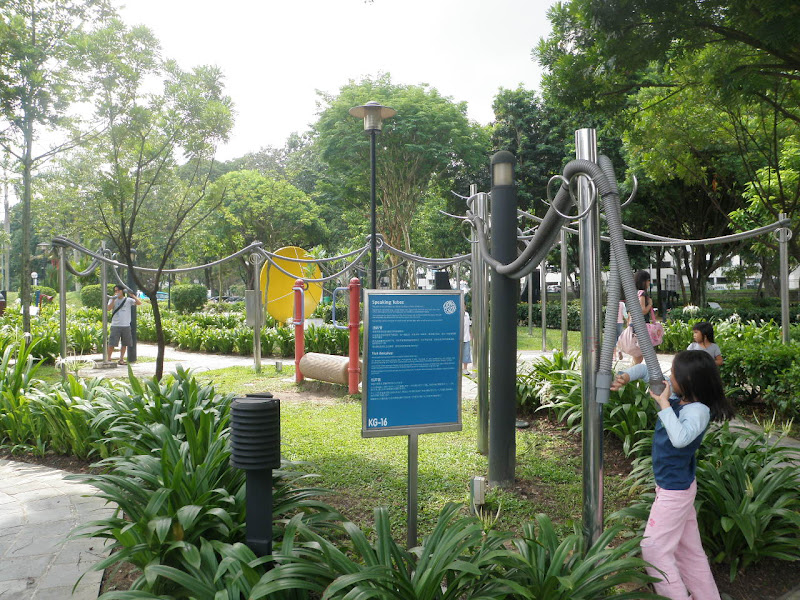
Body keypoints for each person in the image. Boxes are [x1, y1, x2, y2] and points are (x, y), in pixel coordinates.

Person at [611, 350, 734, 600]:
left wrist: (664, 403)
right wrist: (626, 375)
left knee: (653, 549)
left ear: (688, 380)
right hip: (677, 488)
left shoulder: (697, 411)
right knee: (689, 552)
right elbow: (648, 371)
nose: (669, 377)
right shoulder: (681, 397)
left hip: (674, 492)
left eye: (674, 374)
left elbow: (679, 440)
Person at [107, 285, 142, 365]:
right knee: (112, 343)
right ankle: (109, 359)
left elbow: (139, 303)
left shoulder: (128, 300)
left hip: (126, 325)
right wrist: (113, 299)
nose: (117, 292)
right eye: (115, 291)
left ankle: (121, 359)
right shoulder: (112, 300)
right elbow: (108, 308)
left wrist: (132, 296)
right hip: (115, 325)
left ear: (122, 291)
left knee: (125, 343)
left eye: (118, 290)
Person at [632, 270, 653, 365]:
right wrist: (650, 305)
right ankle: (632, 375)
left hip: (635, 325)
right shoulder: (642, 293)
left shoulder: (634, 293)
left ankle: (632, 375)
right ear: (643, 281)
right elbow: (642, 311)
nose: (649, 283)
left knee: (637, 355)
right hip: (642, 326)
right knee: (639, 356)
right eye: (648, 280)